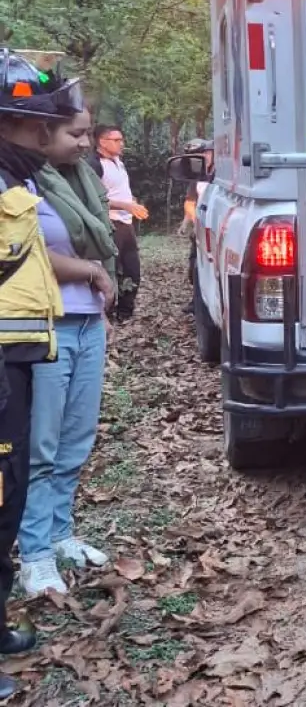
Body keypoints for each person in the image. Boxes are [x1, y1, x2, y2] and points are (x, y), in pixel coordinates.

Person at [0, 47, 80, 698]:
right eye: (30, 128)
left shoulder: (16, 181)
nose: (42, 138)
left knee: (12, 493)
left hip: (18, 363)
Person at [18, 104, 118, 595]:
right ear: (43, 132)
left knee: (76, 438)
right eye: (75, 133)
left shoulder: (80, 179)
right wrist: (91, 271)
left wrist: (101, 288)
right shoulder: (23, 181)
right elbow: (30, 251)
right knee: (41, 444)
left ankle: (60, 534)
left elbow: (103, 243)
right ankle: (33, 552)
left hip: (86, 323)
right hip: (44, 324)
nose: (85, 142)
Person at [94, 124, 149, 322]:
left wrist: (132, 203)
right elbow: (96, 199)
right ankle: (105, 313)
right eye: (116, 140)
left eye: (121, 140)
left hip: (126, 224)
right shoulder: (95, 165)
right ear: (102, 141)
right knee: (111, 269)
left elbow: (120, 190)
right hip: (110, 224)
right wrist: (124, 206)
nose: (121, 144)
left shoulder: (118, 161)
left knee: (132, 269)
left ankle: (126, 312)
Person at [178, 138, 213, 315]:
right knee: (194, 267)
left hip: (215, 231)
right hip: (199, 230)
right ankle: (196, 299)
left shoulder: (220, 175)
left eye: (204, 154)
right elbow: (190, 201)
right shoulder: (196, 177)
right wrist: (188, 221)